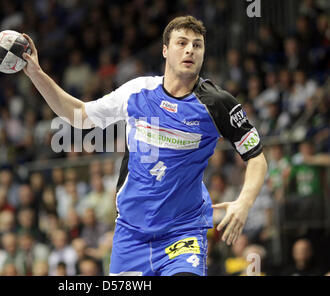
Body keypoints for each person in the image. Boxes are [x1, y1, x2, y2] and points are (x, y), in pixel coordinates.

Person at [20, 15, 267, 276]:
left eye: (197, 45)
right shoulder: (137, 92)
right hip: (131, 235)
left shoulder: (217, 103)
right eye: (181, 43)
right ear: (164, 50)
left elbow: (256, 156)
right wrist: (36, 74)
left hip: (182, 232)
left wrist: (245, 202)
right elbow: (78, 115)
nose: (189, 50)